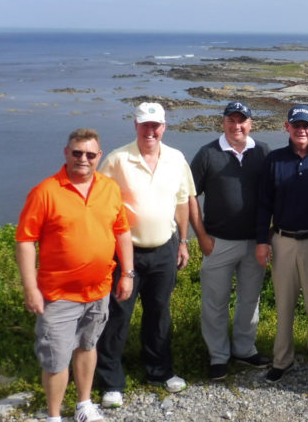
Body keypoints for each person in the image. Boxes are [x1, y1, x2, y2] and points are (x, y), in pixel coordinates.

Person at [15, 128, 133, 422]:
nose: (83, 159)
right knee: (55, 359)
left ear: (98, 157)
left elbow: (122, 231)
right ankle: (54, 416)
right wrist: (30, 288)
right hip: (58, 294)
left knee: (87, 347)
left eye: (90, 154)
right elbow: (25, 240)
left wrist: (127, 273)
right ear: (66, 153)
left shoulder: (109, 187)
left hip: (98, 289)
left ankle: (83, 405)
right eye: (77, 152)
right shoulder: (45, 191)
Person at [95, 103, 197, 408]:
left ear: (164, 126)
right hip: (126, 253)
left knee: (159, 313)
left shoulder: (176, 159)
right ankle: (112, 382)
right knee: (117, 316)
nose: (150, 131)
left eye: (156, 125)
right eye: (145, 125)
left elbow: (182, 202)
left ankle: (159, 372)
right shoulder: (117, 160)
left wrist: (183, 241)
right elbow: (101, 206)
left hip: (165, 248)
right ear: (135, 126)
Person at [190, 101, 273, 380]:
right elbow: (190, 197)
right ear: (222, 122)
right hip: (218, 242)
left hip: (254, 242)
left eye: (242, 121)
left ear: (251, 124)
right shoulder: (207, 154)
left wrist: (267, 238)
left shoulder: (262, 151)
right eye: (231, 120)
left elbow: (272, 196)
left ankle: (244, 349)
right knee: (215, 302)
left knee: (249, 300)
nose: (236, 126)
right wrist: (201, 236)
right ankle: (218, 356)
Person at [256, 104, 308, 385]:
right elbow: (264, 203)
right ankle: (282, 360)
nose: (301, 130)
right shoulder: (274, 160)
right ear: (287, 128)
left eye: (306, 125)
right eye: (296, 125)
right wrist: (261, 242)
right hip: (282, 241)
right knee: (285, 304)